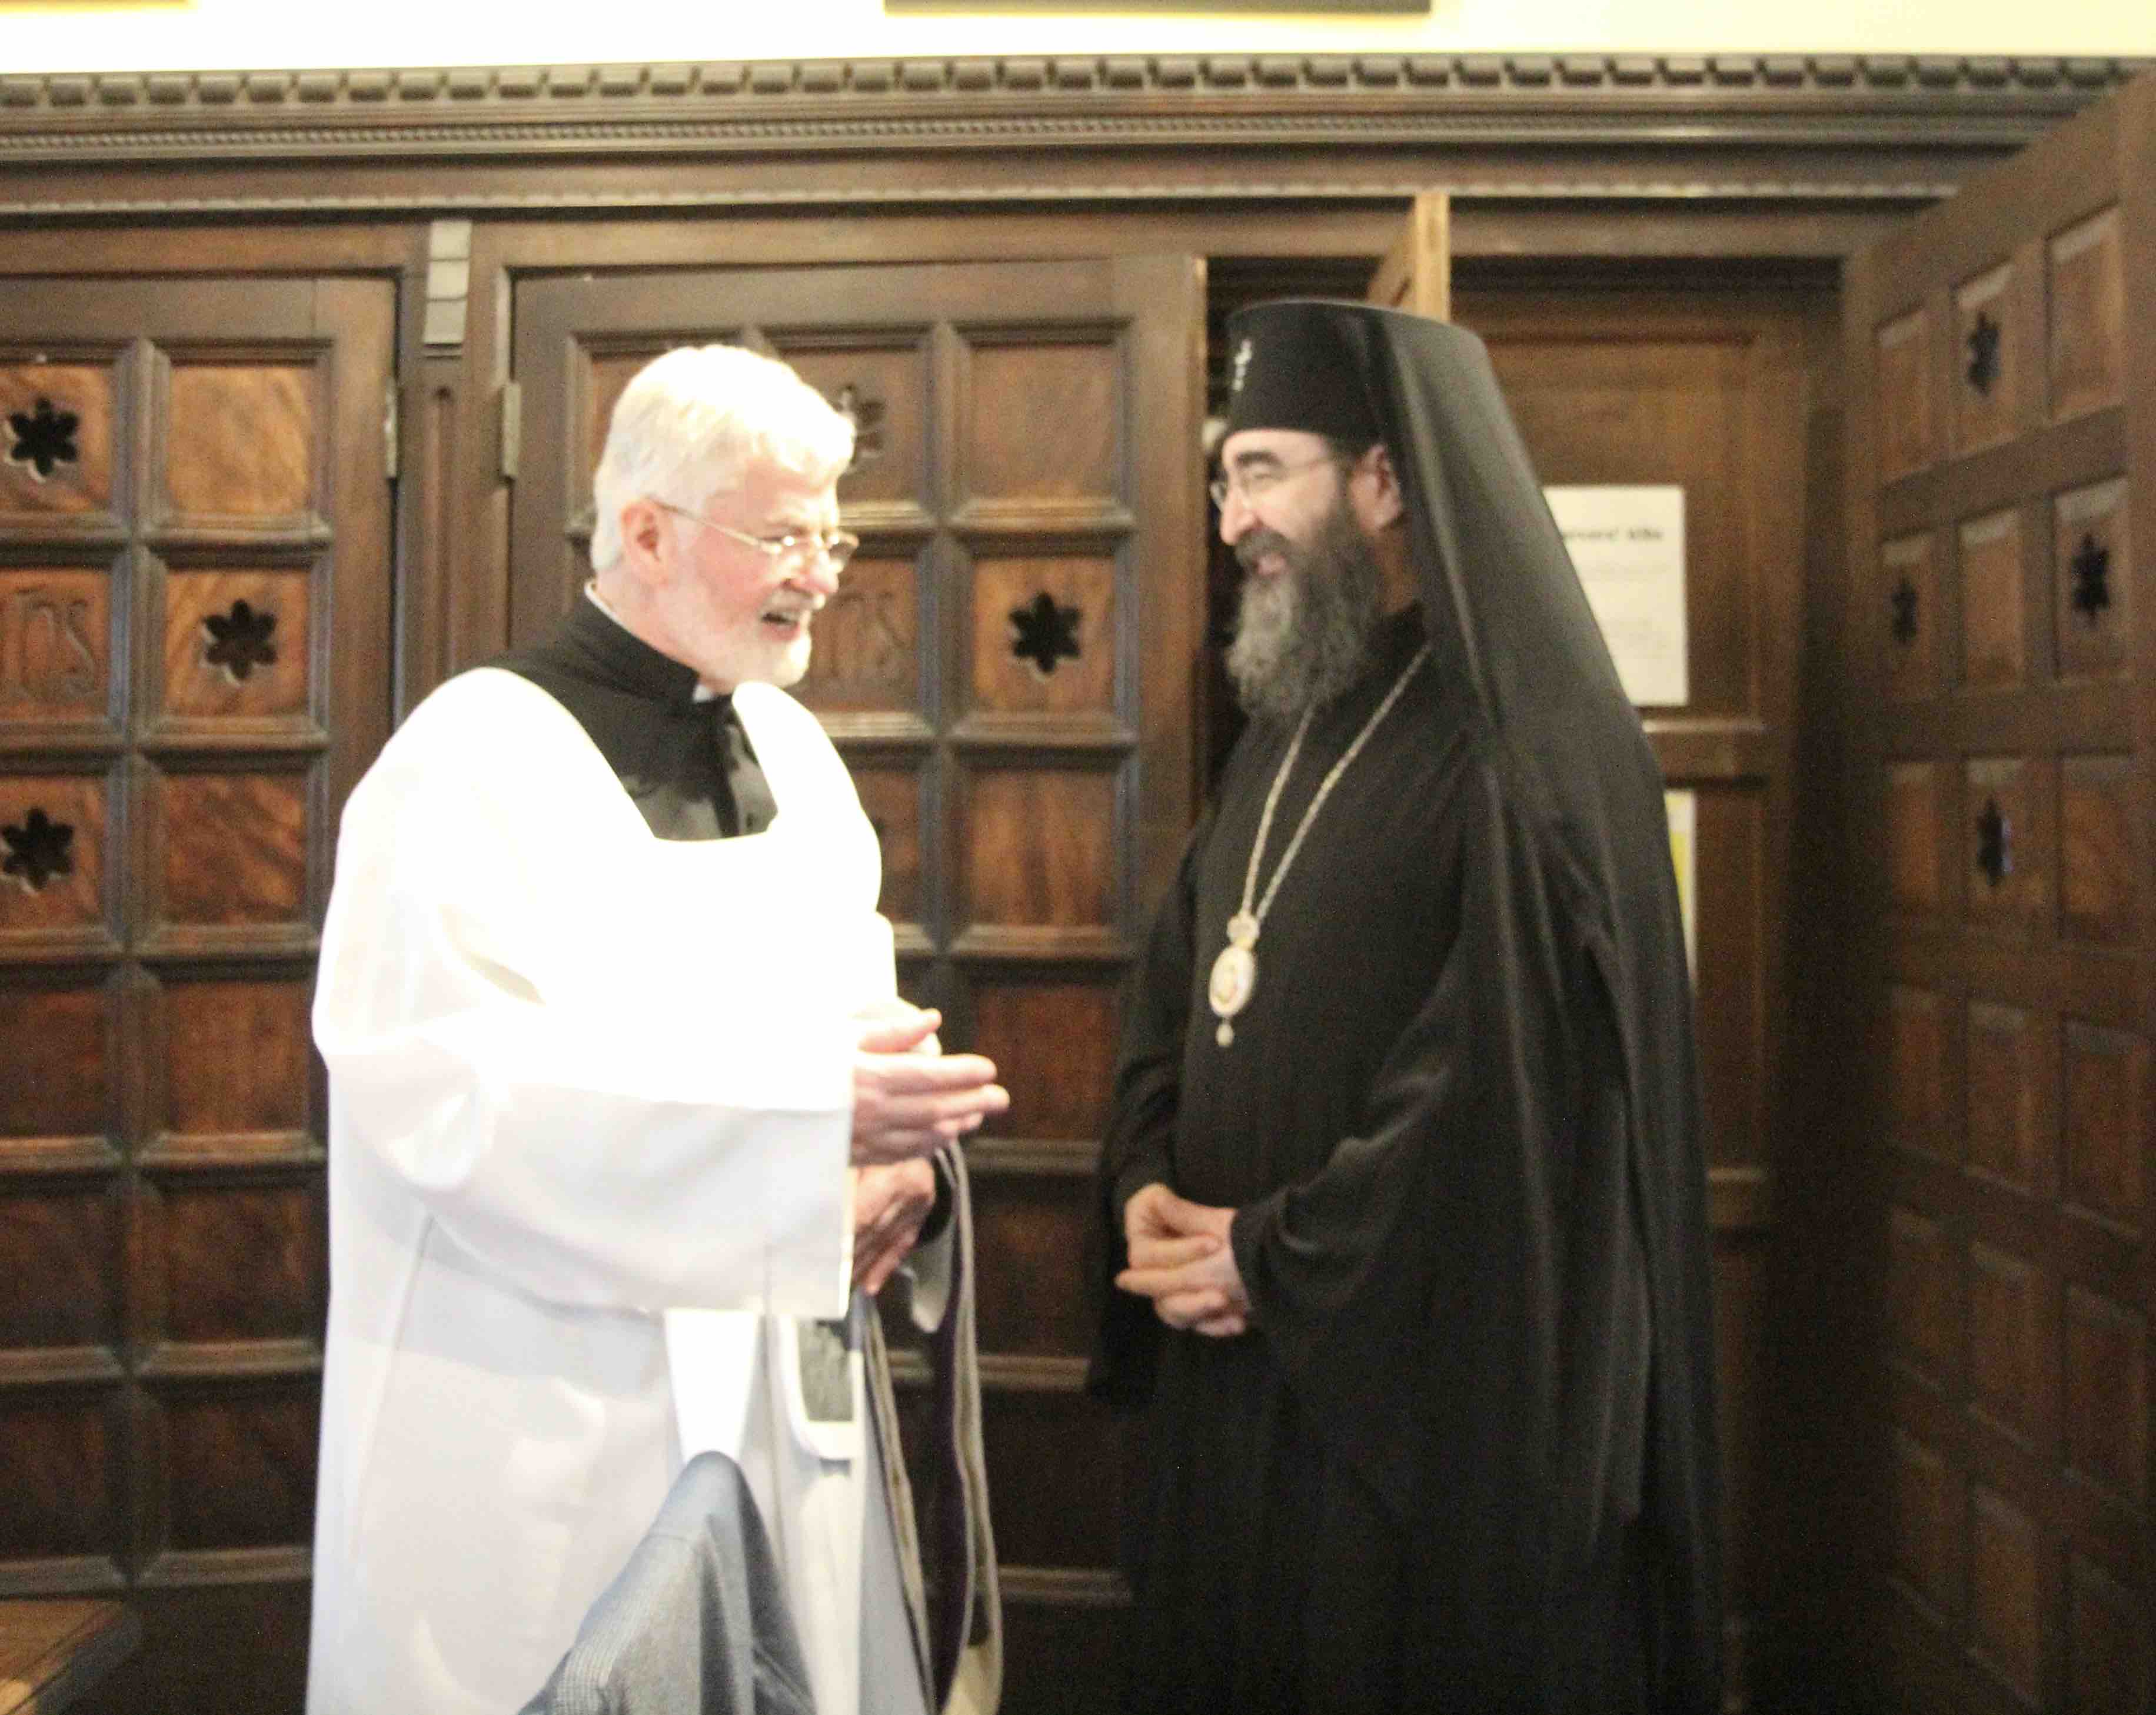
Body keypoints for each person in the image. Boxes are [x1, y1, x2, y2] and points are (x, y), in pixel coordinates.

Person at [307, 343, 1006, 1715]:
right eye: (783, 533)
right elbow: (446, 1090)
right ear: (644, 530)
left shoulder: (794, 752)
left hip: (778, 1384)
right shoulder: (470, 761)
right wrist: (805, 1123)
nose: (821, 569)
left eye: (830, 530)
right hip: (550, 1410)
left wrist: (897, 1167)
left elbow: (852, 1015)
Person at [1089, 300, 1720, 1713]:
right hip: (1233, 1354)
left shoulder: (1524, 743)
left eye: (1260, 471)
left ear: (1381, 480)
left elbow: (1510, 1072)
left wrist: (1279, 1253)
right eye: (1220, 477)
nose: (1229, 514)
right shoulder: (1289, 716)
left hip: (1418, 1399)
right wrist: (1144, 1175)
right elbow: (1185, 978)